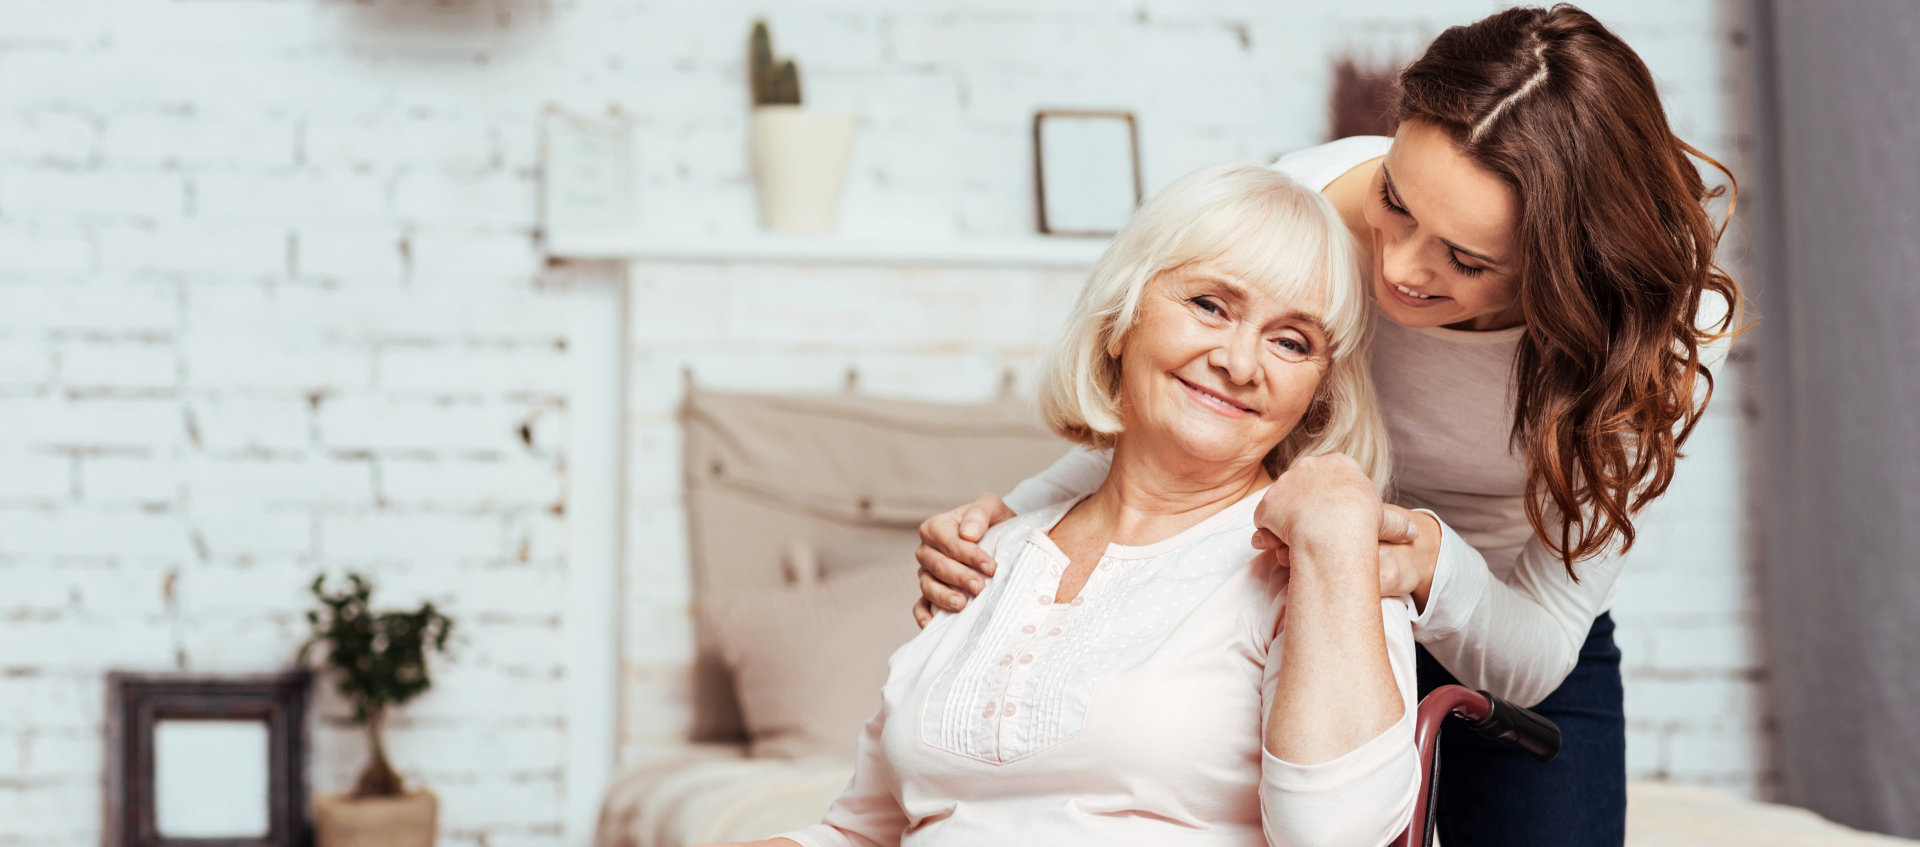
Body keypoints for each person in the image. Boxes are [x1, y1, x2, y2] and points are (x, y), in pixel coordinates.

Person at [910, 6, 1741, 846]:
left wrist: (1431, 565)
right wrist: (1013, 526)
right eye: (1395, 199)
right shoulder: (1300, 210)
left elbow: (1541, 639)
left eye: (1467, 259)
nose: (1398, 267)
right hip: (1293, 588)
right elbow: (1180, 410)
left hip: (1505, 617)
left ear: (1567, 267)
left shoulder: (1645, 334)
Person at [709, 162, 1423, 847]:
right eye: (1210, 305)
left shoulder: (1324, 565)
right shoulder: (991, 557)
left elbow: (1339, 833)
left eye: (1291, 341)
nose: (1239, 363)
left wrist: (1335, 532)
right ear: (1123, 316)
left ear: (1317, 393)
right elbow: (860, 833)